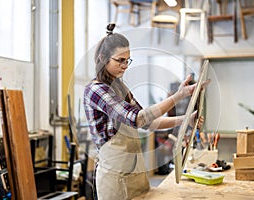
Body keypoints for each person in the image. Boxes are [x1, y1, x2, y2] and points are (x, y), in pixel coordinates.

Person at [83, 23, 210, 200]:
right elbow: (137, 119)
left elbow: (149, 122)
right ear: (103, 58)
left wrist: (186, 119)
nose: (125, 65)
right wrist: (178, 96)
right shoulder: (96, 90)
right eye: (120, 60)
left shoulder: (121, 87)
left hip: (136, 175)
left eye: (128, 60)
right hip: (115, 179)